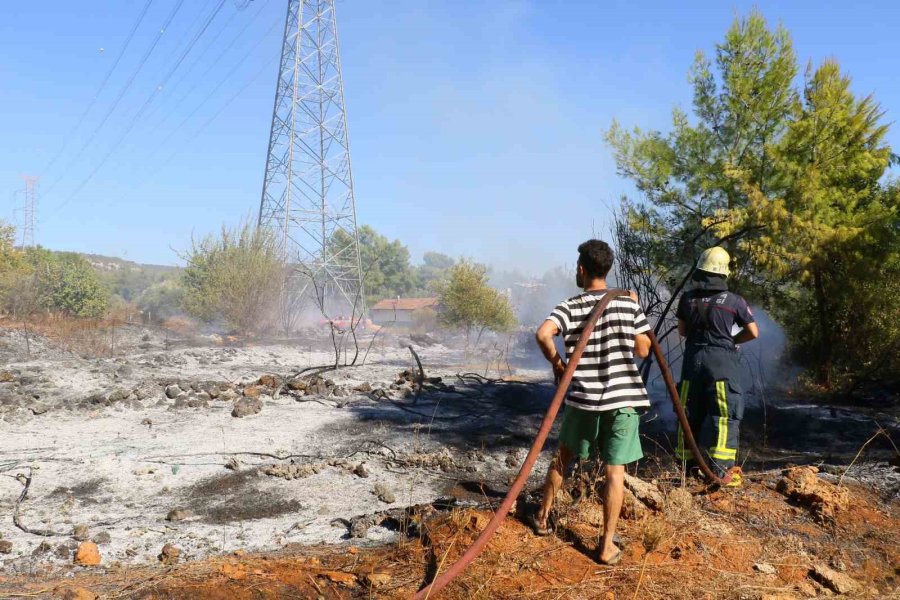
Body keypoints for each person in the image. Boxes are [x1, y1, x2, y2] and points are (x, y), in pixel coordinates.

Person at [532, 239, 652, 566]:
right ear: (607, 268)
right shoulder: (628, 304)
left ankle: (543, 517)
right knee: (615, 472)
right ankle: (606, 546)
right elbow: (643, 350)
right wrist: (633, 312)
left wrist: (559, 365)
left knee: (564, 456)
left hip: (583, 398)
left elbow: (543, 334)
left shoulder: (570, 306)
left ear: (582, 269)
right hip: (622, 400)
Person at [675, 246, 759, 486]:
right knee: (724, 416)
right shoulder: (734, 301)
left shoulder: (687, 298)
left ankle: (686, 470)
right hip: (722, 366)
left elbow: (682, 331)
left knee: (688, 412)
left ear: (701, 270)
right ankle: (722, 474)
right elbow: (753, 332)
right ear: (723, 273)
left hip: (693, 363)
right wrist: (731, 340)